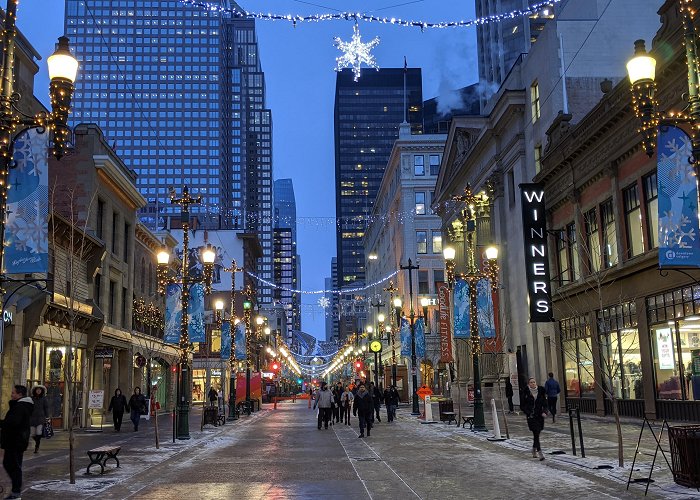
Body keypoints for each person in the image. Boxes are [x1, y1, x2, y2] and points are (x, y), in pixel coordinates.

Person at [0, 385, 33, 499]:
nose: (11, 394)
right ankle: (16, 491)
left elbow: (13, 423)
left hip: (15, 441)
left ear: (20, 394)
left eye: (13, 393)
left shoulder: (20, 407)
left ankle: (16, 492)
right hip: (16, 441)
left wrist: (2, 424)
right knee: (11, 465)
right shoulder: (20, 406)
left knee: (12, 465)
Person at [521, 377, 548, 461]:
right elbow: (522, 405)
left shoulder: (541, 391)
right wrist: (528, 412)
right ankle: (540, 452)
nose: (533, 384)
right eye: (531, 382)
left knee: (537, 433)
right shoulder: (525, 392)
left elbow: (545, 404)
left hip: (540, 416)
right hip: (531, 416)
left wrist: (545, 412)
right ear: (528, 384)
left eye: (534, 382)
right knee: (536, 432)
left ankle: (533, 449)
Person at [29, 385, 48, 453]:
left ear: (42, 391)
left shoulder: (44, 399)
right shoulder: (31, 398)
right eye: (37, 389)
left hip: (41, 419)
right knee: (33, 434)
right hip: (32, 419)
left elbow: (46, 408)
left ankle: (37, 446)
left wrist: (47, 416)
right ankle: (37, 442)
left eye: (40, 390)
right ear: (35, 390)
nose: (38, 391)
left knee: (38, 432)